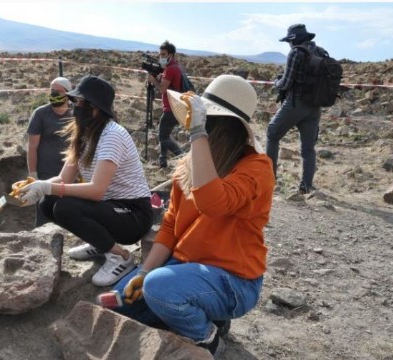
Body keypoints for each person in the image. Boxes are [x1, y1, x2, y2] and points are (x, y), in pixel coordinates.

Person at [111, 75, 275, 356]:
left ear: (222, 126)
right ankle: (200, 311)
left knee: (160, 290)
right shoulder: (190, 165)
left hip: (233, 279)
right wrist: (144, 271)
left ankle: (207, 337)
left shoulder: (257, 168)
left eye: (204, 120)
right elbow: (171, 225)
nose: (193, 125)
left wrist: (198, 133)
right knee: (120, 302)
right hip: (188, 267)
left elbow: (214, 203)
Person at [18, 75, 153, 287]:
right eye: (75, 102)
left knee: (65, 207)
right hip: (109, 207)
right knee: (48, 203)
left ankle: (121, 257)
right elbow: (63, 179)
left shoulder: (112, 135)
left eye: (79, 102)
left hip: (132, 213)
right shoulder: (85, 134)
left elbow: (97, 190)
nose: (74, 107)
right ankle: (101, 244)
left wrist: (46, 186)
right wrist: (38, 188)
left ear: (95, 107)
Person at [266, 24, 321, 194]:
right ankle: (306, 186)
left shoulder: (296, 53)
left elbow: (286, 83)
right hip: (315, 106)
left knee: (272, 133)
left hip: (296, 103)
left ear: (294, 39)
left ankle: (268, 180)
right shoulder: (319, 52)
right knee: (308, 148)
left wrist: (276, 82)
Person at [26, 77, 73, 227]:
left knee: (67, 211)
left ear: (68, 93)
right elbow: (32, 146)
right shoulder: (40, 114)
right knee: (43, 211)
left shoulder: (76, 114)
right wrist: (33, 174)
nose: (54, 94)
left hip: (69, 174)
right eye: (52, 90)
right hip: (46, 173)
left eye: (58, 91)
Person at [147, 40, 184, 169]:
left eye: (163, 54)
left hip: (171, 108)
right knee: (165, 135)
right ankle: (162, 161)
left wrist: (153, 81)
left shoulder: (170, 69)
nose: (161, 57)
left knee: (163, 136)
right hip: (175, 106)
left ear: (171, 55)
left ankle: (183, 157)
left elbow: (162, 89)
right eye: (160, 54)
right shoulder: (176, 67)